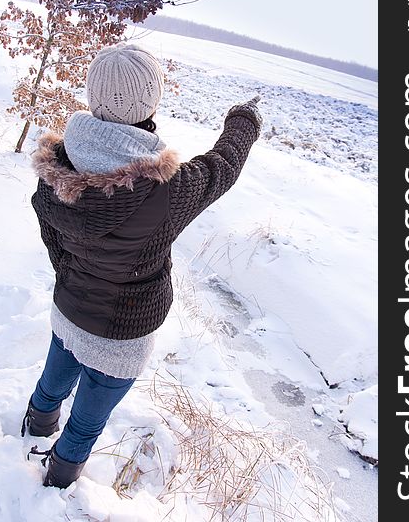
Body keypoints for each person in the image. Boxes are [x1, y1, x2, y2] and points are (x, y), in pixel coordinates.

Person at [22, 43, 263, 489]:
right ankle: (56, 484)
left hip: (69, 309)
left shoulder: (54, 167)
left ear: (94, 98)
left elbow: (53, 239)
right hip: (122, 333)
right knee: (86, 422)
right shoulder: (168, 190)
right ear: (149, 103)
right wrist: (243, 121)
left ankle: (33, 431)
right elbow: (223, 166)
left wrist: (70, 277)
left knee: (52, 384)